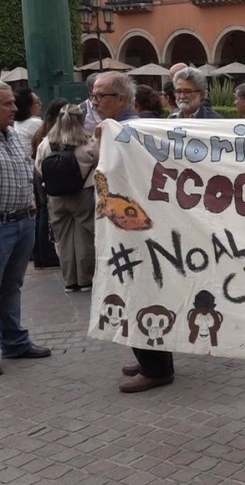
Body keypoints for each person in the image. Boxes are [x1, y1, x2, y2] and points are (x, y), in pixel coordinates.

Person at [91, 72, 174, 393]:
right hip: (129, 227)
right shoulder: (121, 129)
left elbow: (116, 175)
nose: (95, 101)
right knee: (137, 291)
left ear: (122, 99)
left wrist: (101, 143)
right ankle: (148, 356)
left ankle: (157, 367)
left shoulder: (127, 131)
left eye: (102, 95)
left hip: (136, 231)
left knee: (141, 292)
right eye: (93, 95)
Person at [0, 81, 52, 370]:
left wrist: (31, 202)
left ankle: (14, 342)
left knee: (11, 286)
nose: (14, 108)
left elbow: (23, 172)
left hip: (21, 222)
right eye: (7, 104)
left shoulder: (9, 135)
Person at [34, 105, 97, 293]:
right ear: (81, 120)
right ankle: (86, 279)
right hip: (83, 195)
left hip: (55, 197)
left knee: (63, 239)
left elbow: (38, 168)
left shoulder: (46, 144)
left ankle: (70, 280)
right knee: (85, 236)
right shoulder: (88, 142)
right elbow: (100, 163)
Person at [30, 99, 68, 269]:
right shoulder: (53, 133)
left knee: (41, 213)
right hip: (49, 177)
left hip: (39, 175)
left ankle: (39, 253)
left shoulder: (41, 131)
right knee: (45, 212)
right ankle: (46, 253)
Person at [13, 88, 42, 155]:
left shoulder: (16, 123)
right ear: (27, 106)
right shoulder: (35, 123)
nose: (41, 103)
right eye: (37, 102)